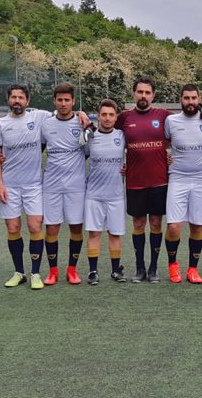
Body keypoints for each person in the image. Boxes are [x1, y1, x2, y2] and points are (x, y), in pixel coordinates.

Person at [0, 84, 53, 290]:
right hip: (9, 185)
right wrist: (0, 184)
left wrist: (81, 114)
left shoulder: (39, 117)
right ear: (8, 100)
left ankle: (36, 273)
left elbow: (64, 112)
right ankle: (19, 272)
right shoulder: (1, 124)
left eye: (20, 97)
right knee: (13, 227)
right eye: (13, 97)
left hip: (34, 184)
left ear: (27, 101)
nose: (17, 101)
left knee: (35, 226)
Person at [115, 78, 171, 284]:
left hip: (159, 180)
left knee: (156, 222)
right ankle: (139, 268)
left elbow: (183, 130)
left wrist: (171, 153)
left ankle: (153, 268)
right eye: (140, 92)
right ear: (133, 94)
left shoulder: (164, 116)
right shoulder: (124, 117)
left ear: (153, 96)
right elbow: (109, 136)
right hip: (135, 181)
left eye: (147, 93)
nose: (143, 96)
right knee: (138, 223)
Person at [163, 84, 202, 284]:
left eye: (194, 98)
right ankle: (173, 265)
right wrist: (167, 156)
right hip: (178, 178)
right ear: (180, 100)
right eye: (186, 98)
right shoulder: (171, 121)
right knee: (174, 227)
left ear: (199, 98)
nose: (190, 102)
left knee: (197, 226)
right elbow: (165, 143)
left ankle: (193, 269)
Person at [41, 83, 88, 285]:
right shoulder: (46, 125)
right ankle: (53, 271)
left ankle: (72, 269)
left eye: (67, 100)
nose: (63, 103)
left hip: (76, 185)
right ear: (54, 101)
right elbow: (36, 150)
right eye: (59, 100)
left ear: (73, 102)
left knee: (76, 228)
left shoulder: (82, 124)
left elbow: (90, 152)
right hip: (51, 185)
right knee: (52, 229)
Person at [83, 99, 127, 285]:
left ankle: (115, 270)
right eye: (104, 114)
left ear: (116, 117)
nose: (107, 118)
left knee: (114, 234)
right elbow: (78, 157)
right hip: (94, 194)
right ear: (98, 116)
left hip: (116, 195)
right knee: (94, 234)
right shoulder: (90, 137)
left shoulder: (122, 135)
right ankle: (93, 271)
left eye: (111, 115)